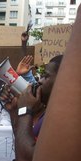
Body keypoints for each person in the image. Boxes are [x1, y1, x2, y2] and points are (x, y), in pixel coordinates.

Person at [33, 4, 81, 161]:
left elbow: (30, 155)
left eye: (46, 76)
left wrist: (23, 114)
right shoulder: (46, 110)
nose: (40, 80)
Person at [0, 54, 63, 161]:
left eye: (45, 76)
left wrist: (25, 110)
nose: (40, 81)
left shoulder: (62, 117)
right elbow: (22, 144)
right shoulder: (50, 113)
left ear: (63, 80)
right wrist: (14, 111)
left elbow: (27, 157)